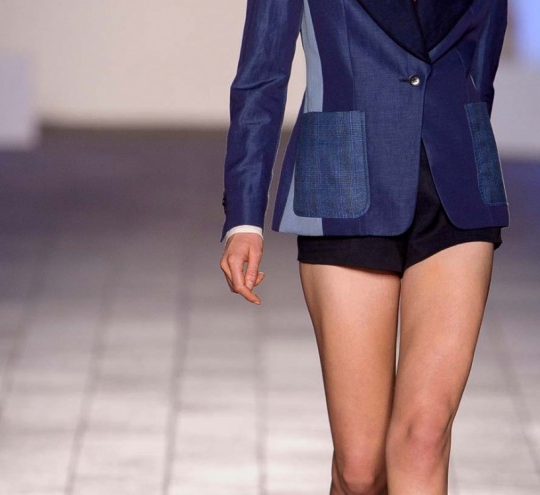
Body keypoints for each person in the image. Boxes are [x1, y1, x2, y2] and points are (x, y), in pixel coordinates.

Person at [218, 0, 509, 493]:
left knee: (424, 438)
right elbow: (261, 75)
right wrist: (244, 219)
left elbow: (484, 59)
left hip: (456, 182)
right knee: (359, 470)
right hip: (343, 180)